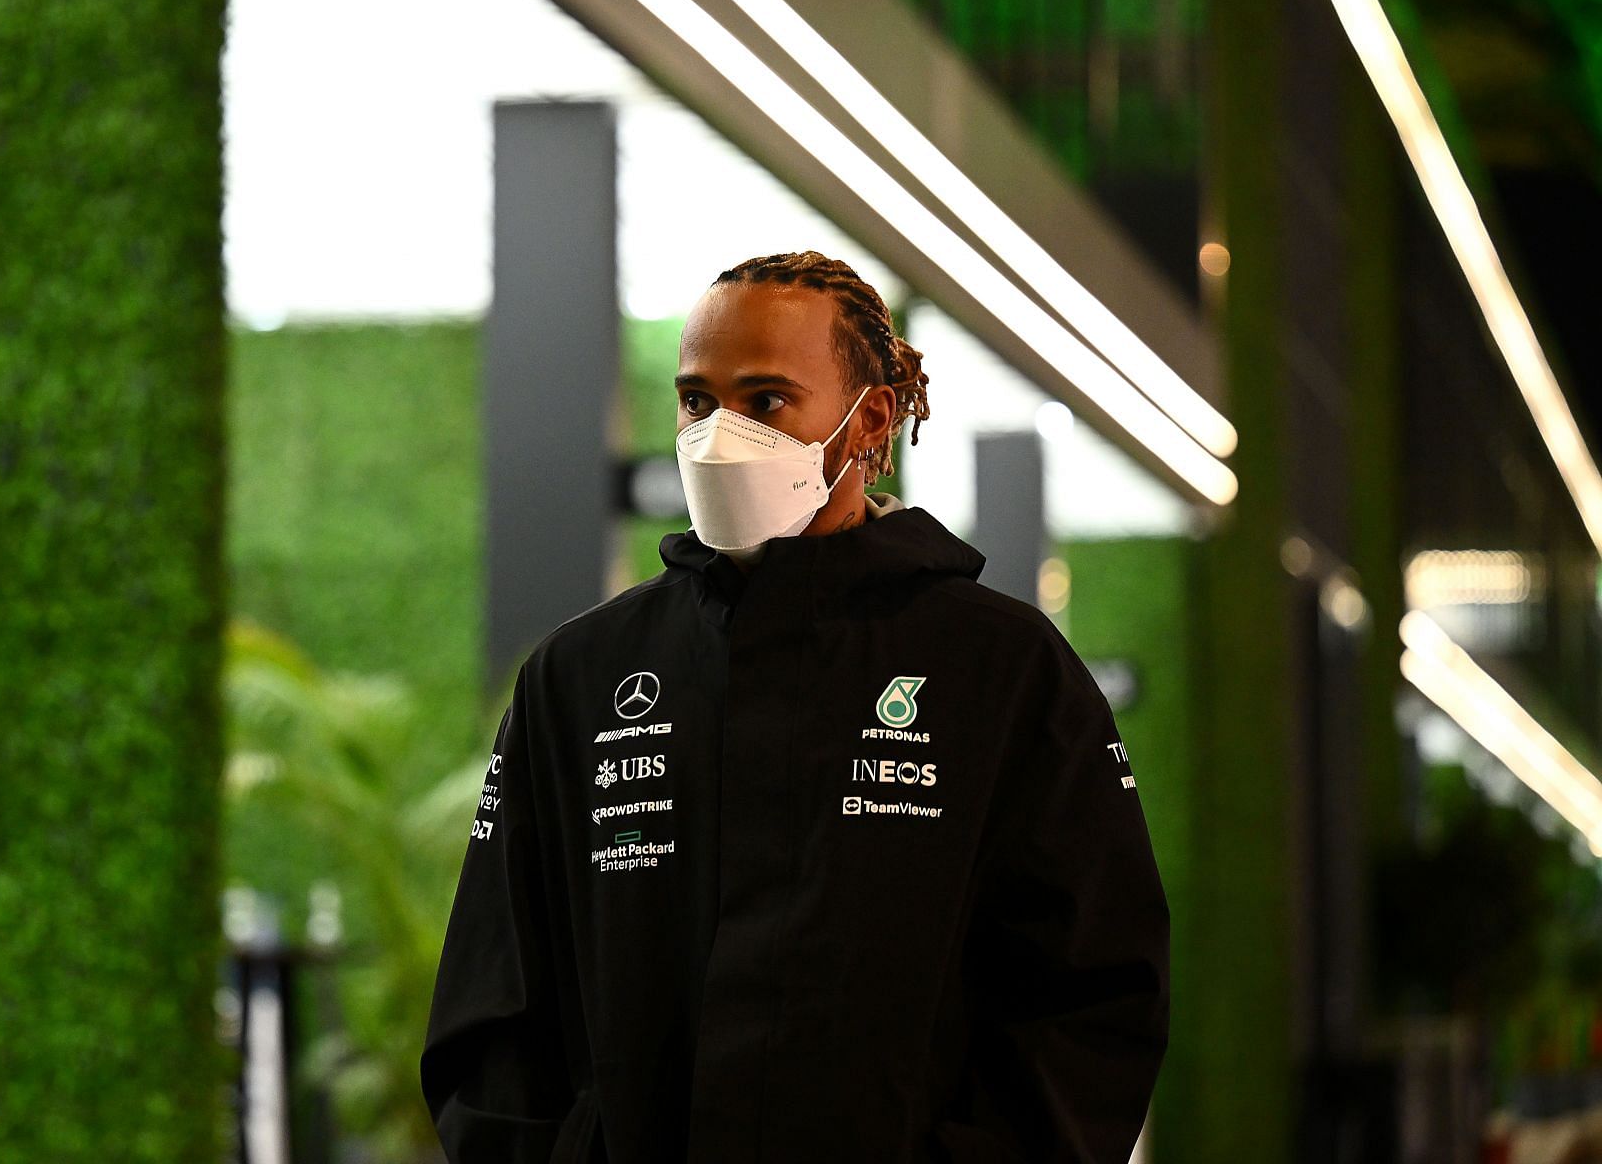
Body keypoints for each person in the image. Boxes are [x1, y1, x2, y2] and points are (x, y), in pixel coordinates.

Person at [420, 251, 1169, 1163]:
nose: (719, 433)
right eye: (697, 400)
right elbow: (495, 998)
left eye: (766, 400)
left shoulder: (1001, 671)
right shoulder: (579, 677)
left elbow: (1091, 992)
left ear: (872, 420)